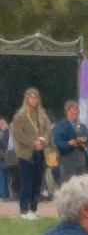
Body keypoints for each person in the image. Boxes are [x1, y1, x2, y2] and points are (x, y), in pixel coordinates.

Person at [13, 87, 53, 219]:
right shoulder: (20, 117)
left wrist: (44, 140)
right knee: (27, 183)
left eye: (35, 97)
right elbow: (18, 135)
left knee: (37, 182)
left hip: (40, 153)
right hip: (26, 154)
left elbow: (48, 130)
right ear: (26, 99)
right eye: (30, 97)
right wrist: (33, 143)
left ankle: (34, 208)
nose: (33, 99)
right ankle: (24, 210)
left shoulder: (42, 116)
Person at [53, 101, 88, 181]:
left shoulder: (82, 126)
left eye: (76, 110)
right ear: (67, 111)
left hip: (81, 163)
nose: (75, 112)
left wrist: (85, 140)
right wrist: (70, 143)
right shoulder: (60, 126)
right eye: (73, 109)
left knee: (82, 188)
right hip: (67, 164)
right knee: (68, 189)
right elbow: (59, 145)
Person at [0, 118, 10, 200]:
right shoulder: (6, 133)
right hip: (3, 156)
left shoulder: (8, 132)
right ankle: (4, 194)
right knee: (3, 175)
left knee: (4, 175)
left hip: (7, 156)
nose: (2, 125)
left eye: (3, 123)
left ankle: (5, 194)